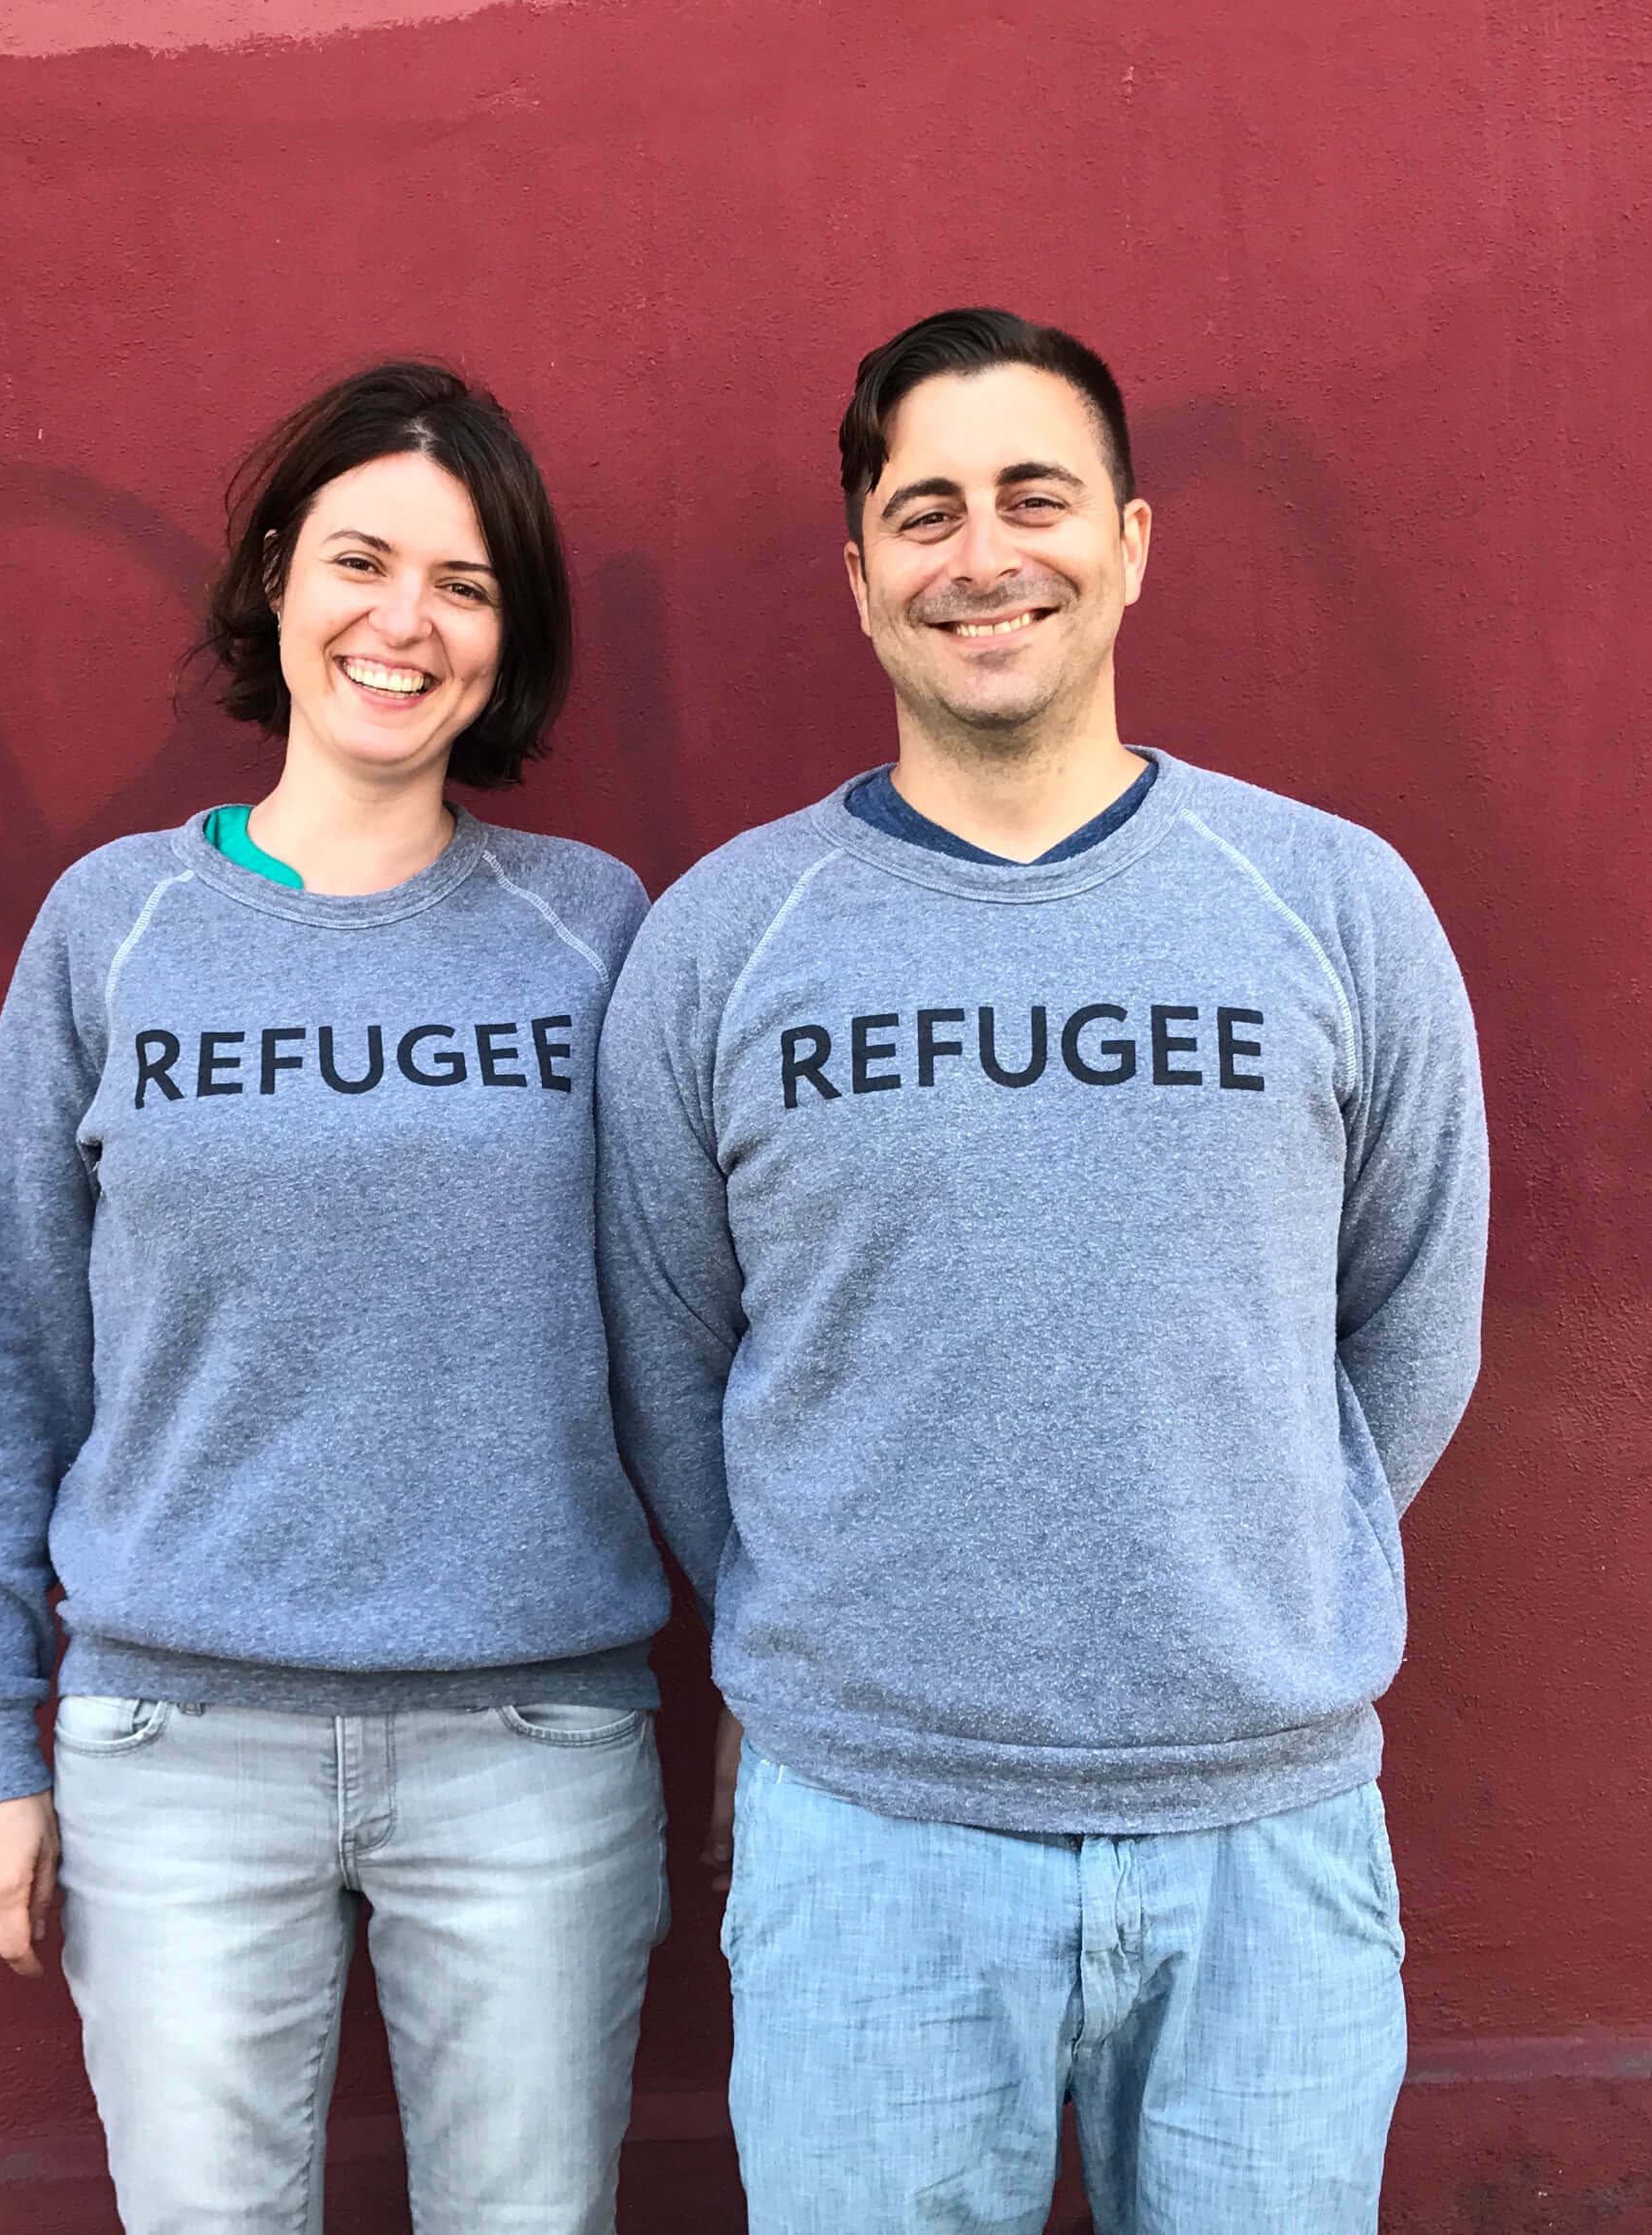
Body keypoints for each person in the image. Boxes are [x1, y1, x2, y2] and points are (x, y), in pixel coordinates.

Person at [597, 308, 1490, 2231]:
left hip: (1262, 1826)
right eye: (922, 512)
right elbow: (670, 1368)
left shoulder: (1329, 906)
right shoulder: (724, 943)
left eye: (1032, 495)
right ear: (857, 580)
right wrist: (834, 1622)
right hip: (867, 1837)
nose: (980, 552)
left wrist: (1242, 1562)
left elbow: (1407, 1328)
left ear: (1131, 541)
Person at [0, 360, 670, 2233]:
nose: (402, 621)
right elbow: (12, 1343)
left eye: (466, 581)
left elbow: (700, 1329)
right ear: (271, 578)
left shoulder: (596, 932)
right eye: (359, 558)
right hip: (176, 1750)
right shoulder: (116, 926)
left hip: (532, 1747)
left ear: (511, 638)